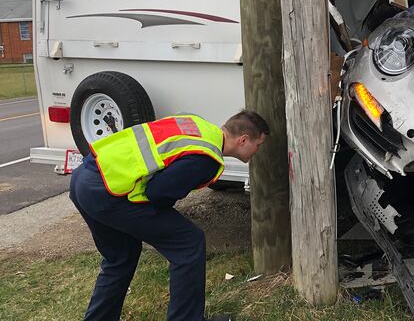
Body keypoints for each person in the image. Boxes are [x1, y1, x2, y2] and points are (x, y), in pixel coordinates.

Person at [69, 110, 269, 321]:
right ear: (243, 140)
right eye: (258, 145)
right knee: (188, 243)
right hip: (107, 192)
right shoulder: (207, 159)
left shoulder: (197, 125)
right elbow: (157, 192)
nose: (258, 151)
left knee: (121, 256)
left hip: (85, 179)